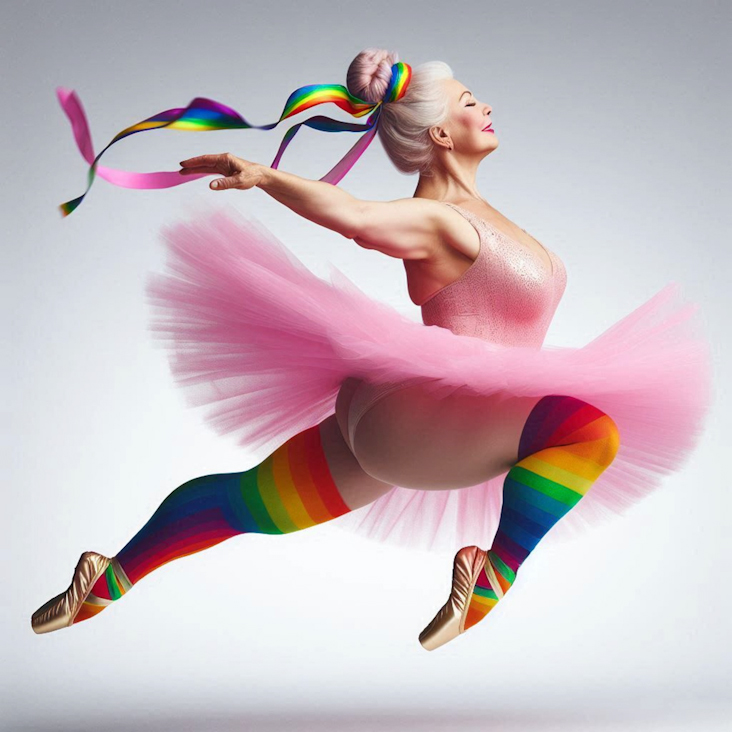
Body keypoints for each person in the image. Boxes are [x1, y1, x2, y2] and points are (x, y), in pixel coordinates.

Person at [32, 48, 712, 651]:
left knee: (250, 503)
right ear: (442, 133)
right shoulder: (436, 218)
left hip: (420, 422)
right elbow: (357, 218)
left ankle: (109, 576)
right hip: (435, 414)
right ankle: (492, 574)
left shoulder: (477, 215)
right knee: (588, 431)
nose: (489, 106)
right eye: (472, 103)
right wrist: (264, 177)